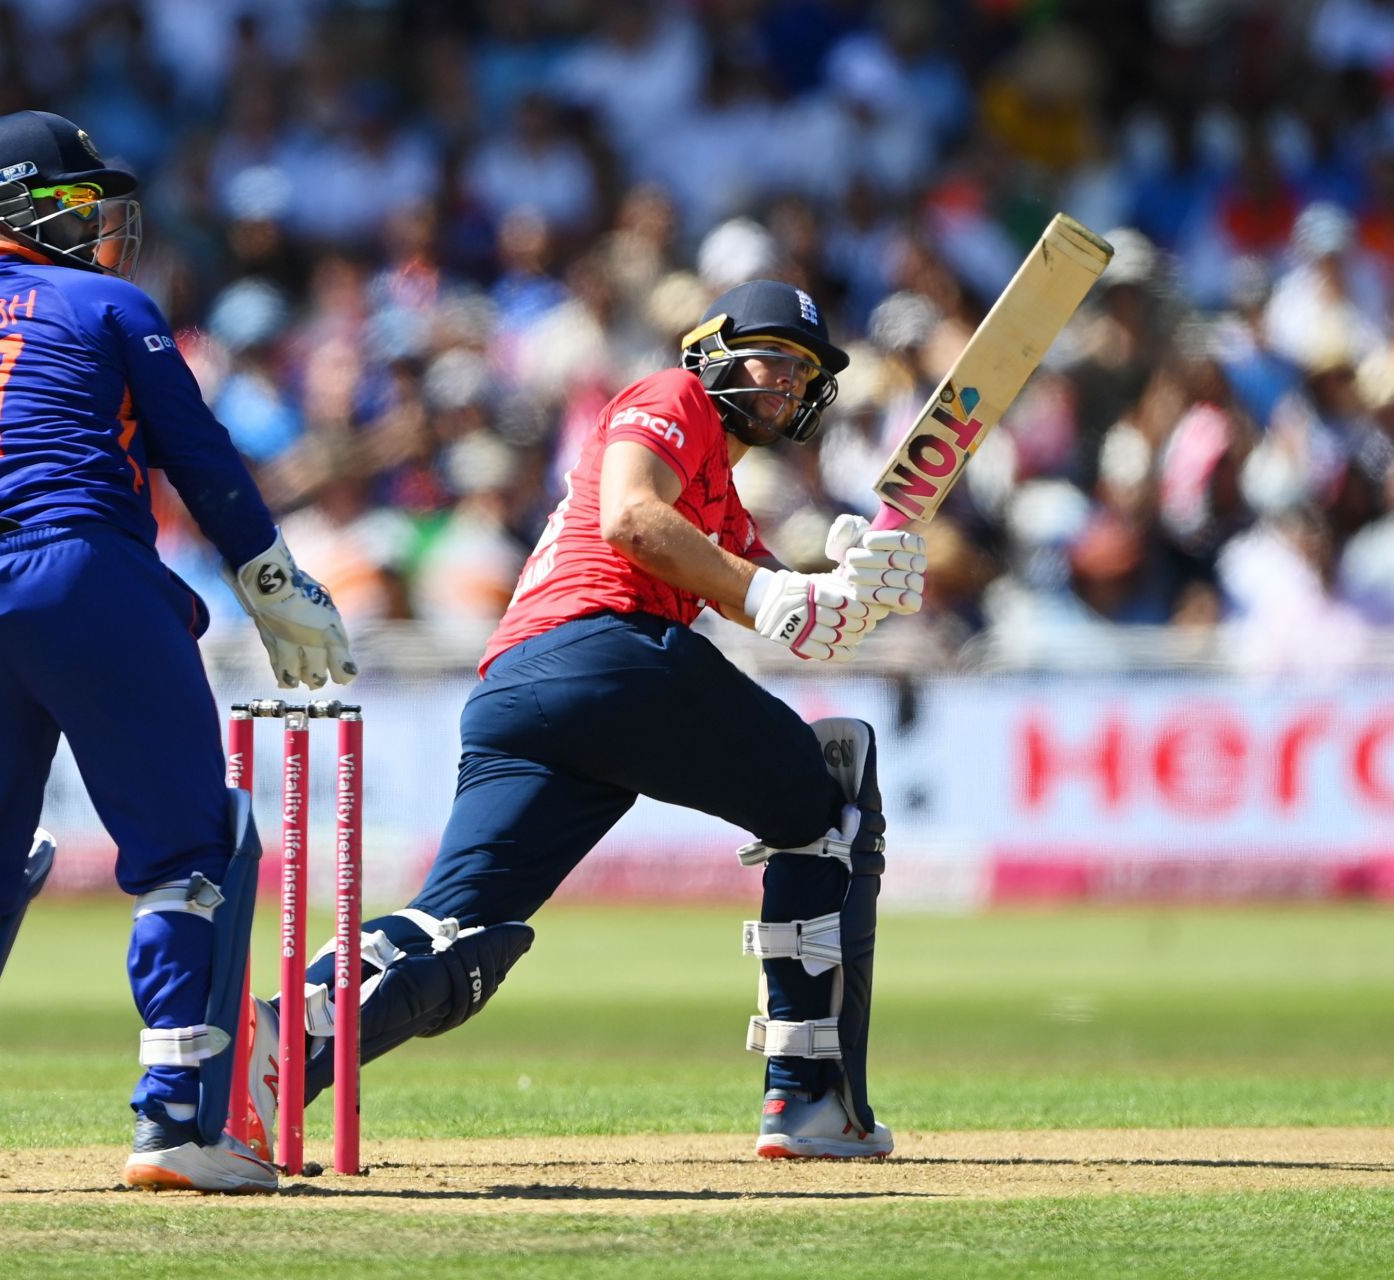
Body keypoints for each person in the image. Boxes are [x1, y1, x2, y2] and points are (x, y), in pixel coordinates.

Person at [283, 280, 925, 1159]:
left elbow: (787, 610)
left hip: (520, 695)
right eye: (771, 358)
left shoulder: (720, 502)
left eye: (802, 371)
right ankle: (809, 1097)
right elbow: (631, 519)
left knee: (458, 929)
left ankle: (262, 1061)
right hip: (605, 653)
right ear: (713, 351)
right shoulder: (675, 397)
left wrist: (854, 583)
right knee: (825, 808)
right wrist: (778, 592)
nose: (784, 381)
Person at [0, 110, 354, 1195]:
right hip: (85, 570)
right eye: (75, 202)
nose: (99, 223)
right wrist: (269, 578)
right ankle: (177, 1116)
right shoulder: (105, 302)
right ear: (15, 207)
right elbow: (195, 450)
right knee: (194, 840)